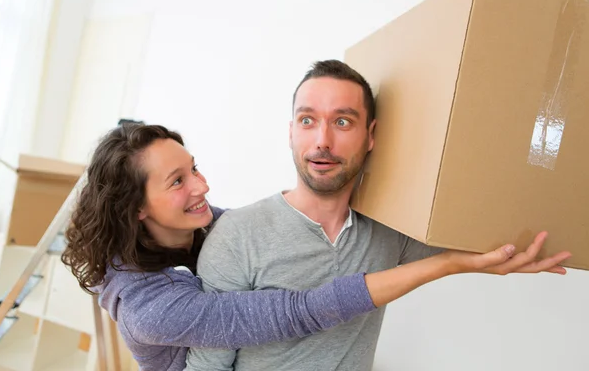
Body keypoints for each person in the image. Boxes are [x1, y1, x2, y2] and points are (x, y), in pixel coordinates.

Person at [61, 123, 553, 371]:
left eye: (194, 167)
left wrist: (485, 256)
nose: (203, 185)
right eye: (177, 181)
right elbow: (292, 312)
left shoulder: (213, 230)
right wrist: (447, 264)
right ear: (136, 209)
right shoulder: (150, 308)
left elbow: (286, 231)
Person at [185, 60, 571, 371]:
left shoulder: (391, 232)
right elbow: (207, 366)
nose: (322, 140)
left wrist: (518, 250)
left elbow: (478, 241)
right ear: (291, 133)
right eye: (307, 120)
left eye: (342, 121)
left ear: (371, 135)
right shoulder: (236, 236)